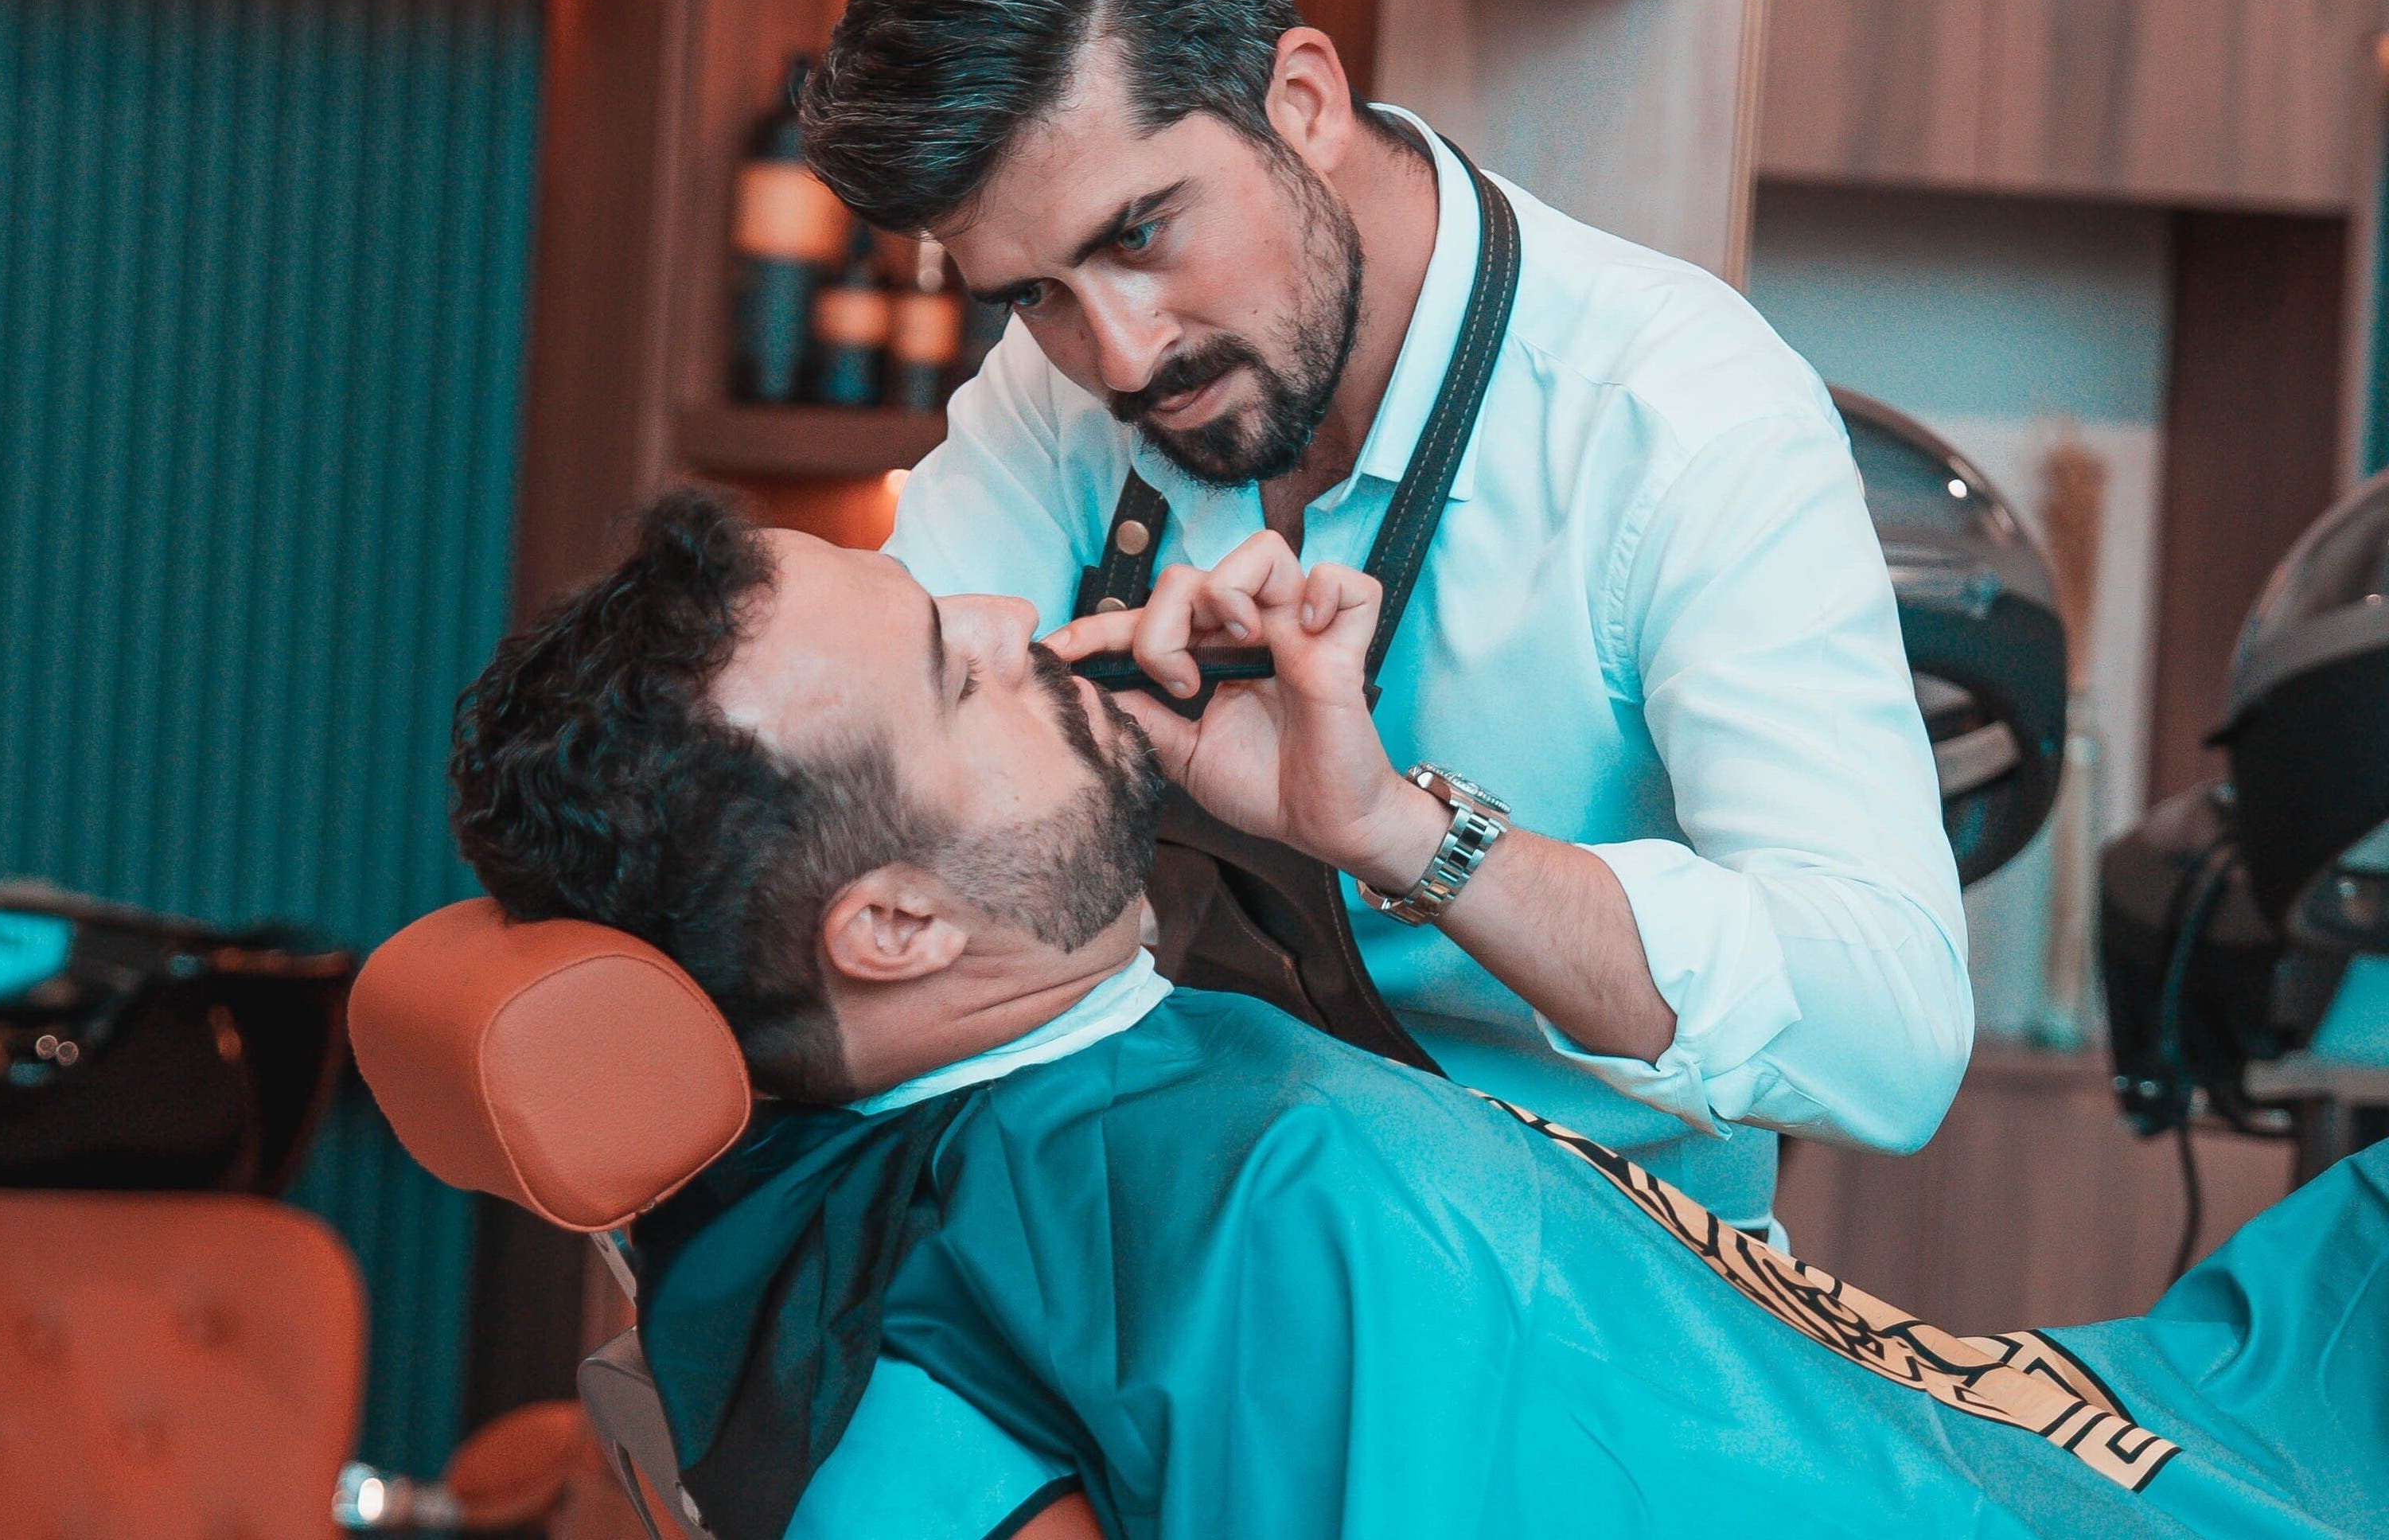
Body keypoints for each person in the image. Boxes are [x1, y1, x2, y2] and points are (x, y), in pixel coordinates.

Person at [446, 493, 2387, 1540]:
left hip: (2038, 1427)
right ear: (883, 923)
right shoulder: (1173, 1224)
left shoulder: (831, 1181)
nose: (1030, 633)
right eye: (962, 679)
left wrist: (1345, 822)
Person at [793, 0, 1970, 1238]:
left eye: (1141, 233)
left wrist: (1403, 835)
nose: (1115, 355)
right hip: (1197, 1252)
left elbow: (1890, 1033)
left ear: (1302, 99)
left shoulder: (1679, 416)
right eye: (1032, 293)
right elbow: (848, 795)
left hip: (1581, 1323)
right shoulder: (1061, 396)